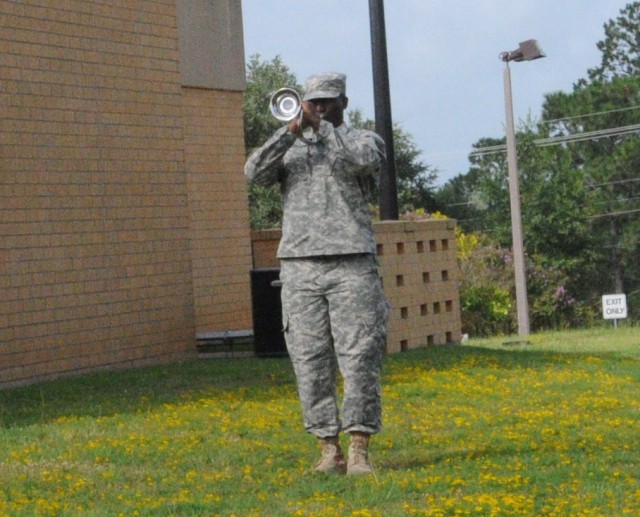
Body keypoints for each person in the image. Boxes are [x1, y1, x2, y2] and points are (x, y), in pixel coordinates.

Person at [244, 72, 389, 476]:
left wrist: (323, 129)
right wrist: (289, 132)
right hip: (300, 266)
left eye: (327, 101)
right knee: (309, 361)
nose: (319, 108)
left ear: (344, 101)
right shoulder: (293, 146)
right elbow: (253, 173)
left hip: (352, 264)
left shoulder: (362, 139)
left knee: (359, 358)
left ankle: (359, 448)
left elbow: (363, 163)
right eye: (314, 102)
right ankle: (329, 449)